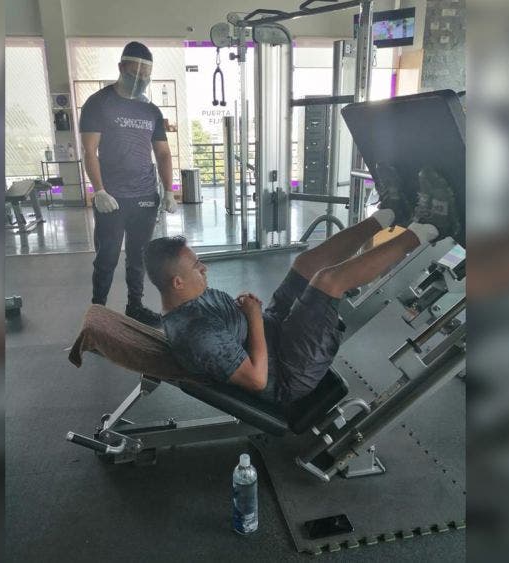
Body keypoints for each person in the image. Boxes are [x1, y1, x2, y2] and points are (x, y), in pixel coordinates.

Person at [145, 168, 461, 405]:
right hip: (289, 370)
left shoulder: (188, 298)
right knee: (327, 281)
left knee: (305, 264)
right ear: (177, 282)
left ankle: (391, 213)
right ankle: (432, 227)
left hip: (273, 329)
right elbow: (257, 380)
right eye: (196, 266)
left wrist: (252, 314)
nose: (204, 268)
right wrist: (253, 316)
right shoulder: (197, 334)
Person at [80, 41, 176, 327]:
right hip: (112, 197)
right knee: (107, 257)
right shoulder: (98, 103)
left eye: (146, 75)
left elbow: (163, 153)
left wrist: (168, 190)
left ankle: (135, 306)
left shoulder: (151, 110)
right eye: (135, 74)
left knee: (139, 257)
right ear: (121, 68)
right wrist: (99, 190)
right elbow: (89, 151)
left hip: (145, 196)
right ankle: (97, 313)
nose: (141, 80)